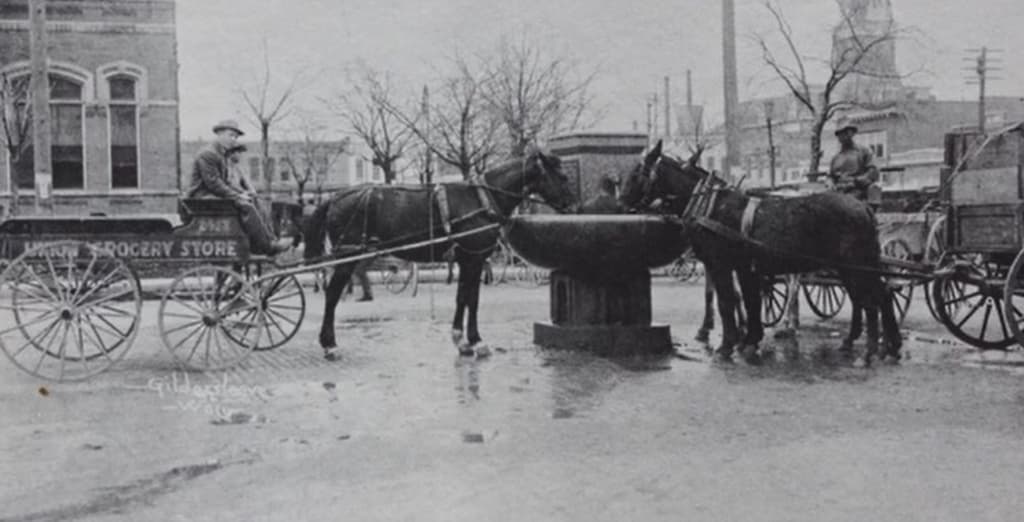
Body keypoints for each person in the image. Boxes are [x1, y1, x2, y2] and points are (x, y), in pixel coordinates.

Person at [186, 120, 300, 266]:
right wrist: (238, 196)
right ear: (219, 134)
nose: (233, 139)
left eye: (235, 137)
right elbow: (214, 184)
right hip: (201, 198)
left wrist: (244, 192)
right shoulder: (208, 154)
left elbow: (225, 183)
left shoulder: (220, 155)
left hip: (212, 195)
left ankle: (270, 240)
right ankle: (264, 246)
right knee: (246, 206)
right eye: (230, 135)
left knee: (252, 200)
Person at [827, 124, 880, 204]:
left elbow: (873, 172)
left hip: (857, 188)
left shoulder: (864, 151)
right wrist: (829, 183)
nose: (844, 136)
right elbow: (830, 176)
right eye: (840, 134)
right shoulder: (836, 157)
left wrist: (856, 181)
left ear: (852, 134)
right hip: (838, 189)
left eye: (847, 132)